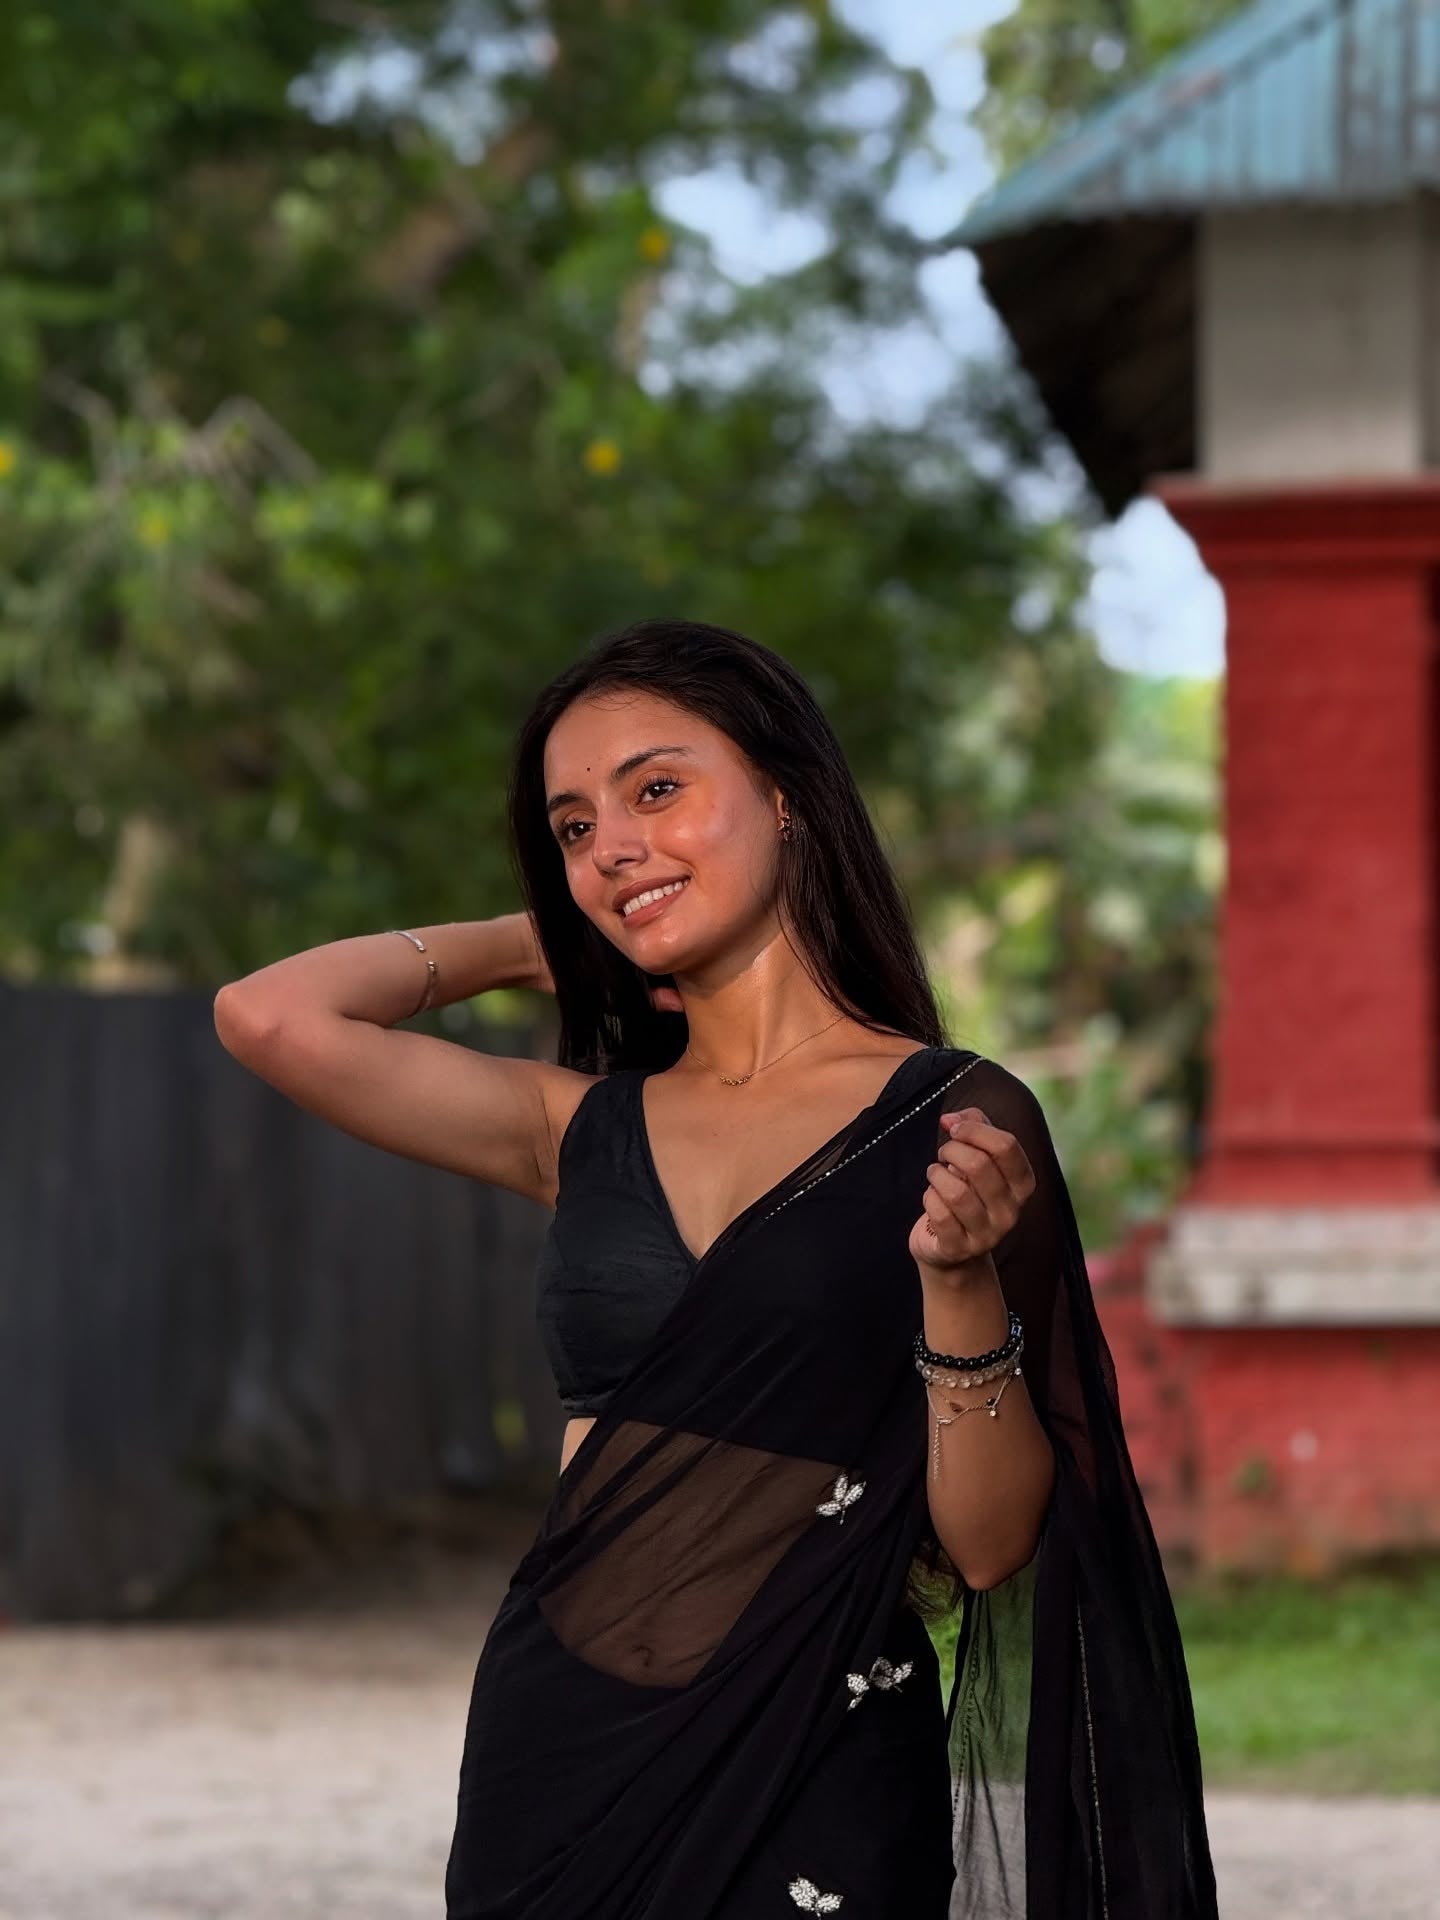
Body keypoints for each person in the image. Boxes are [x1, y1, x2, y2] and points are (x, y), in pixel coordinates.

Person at [214, 617, 1218, 1919]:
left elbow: (988, 1550)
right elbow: (268, 1015)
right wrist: (537, 937)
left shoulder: (951, 1122)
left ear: (785, 795)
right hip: (561, 1751)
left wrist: (961, 1283)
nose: (612, 844)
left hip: (818, 1753)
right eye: (575, 826)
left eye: (657, 790)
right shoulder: (581, 1129)